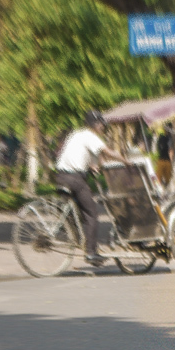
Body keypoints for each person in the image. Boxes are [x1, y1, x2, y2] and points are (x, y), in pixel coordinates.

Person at [54, 109, 126, 266]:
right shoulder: (91, 136)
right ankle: (91, 253)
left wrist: (92, 166)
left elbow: (81, 155)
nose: (103, 128)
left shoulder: (76, 134)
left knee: (79, 210)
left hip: (60, 176)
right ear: (96, 124)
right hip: (75, 179)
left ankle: (73, 233)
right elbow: (107, 153)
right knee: (92, 213)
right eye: (102, 125)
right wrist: (125, 161)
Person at [155, 123, 173, 188]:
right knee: (162, 178)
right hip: (164, 160)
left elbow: (170, 151)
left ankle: (163, 188)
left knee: (165, 178)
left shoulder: (166, 138)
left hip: (164, 160)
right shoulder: (166, 138)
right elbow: (170, 151)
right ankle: (161, 188)